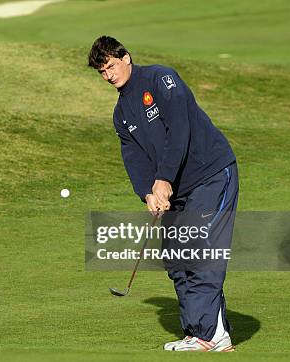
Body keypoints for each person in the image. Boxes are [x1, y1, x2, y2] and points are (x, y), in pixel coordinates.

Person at [88, 36, 238, 352]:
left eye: (111, 66)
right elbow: (134, 157)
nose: (109, 75)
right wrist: (148, 193)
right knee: (176, 256)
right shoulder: (121, 113)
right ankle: (200, 331)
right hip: (175, 189)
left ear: (125, 57)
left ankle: (211, 335)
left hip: (210, 174)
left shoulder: (160, 78)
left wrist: (164, 179)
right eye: (102, 72)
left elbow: (179, 129)